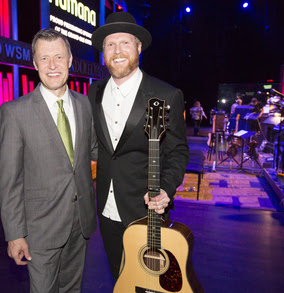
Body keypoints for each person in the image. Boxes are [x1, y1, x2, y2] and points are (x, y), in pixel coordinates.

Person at [88, 12, 190, 281]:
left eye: (125, 43)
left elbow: (178, 152)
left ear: (139, 47)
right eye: (110, 44)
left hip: (145, 210)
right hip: (106, 209)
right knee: (118, 277)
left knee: (150, 280)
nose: (117, 51)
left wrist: (166, 188)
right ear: (103, 52)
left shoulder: (166, 94)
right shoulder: (93, 92)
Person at [0, 29, 97, 293]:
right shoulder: (15, 112)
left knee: (72, 290)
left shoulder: (85, 105)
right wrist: (15, 234)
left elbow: (96, 151)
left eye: (58, 57)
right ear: (34, 63)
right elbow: (9, 181)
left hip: (80, 223)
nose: (52, 66)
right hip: (39, 230)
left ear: (70, 60)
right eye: (44, 58)